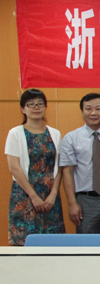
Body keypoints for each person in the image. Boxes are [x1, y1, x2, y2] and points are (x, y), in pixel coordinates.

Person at [59, 93, 100, 246]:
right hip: (85, 201)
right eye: (88, 109)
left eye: (98, 109)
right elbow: (67, 173)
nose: (93, 113)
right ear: (82, 111)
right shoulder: (71, 138)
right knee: (86, 246)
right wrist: (72, 203)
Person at [5, 89, 64, 245]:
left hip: (50, 196)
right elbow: (14, 168)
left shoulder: (55, 133)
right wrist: (33, 196)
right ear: (23, 109)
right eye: (31, 104)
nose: (36, 107)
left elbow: (59, 167)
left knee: (52, 243)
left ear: (45, 107)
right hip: (25, 194)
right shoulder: (15, 133)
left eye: (40, 104)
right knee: (24, 241)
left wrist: (53, 194)